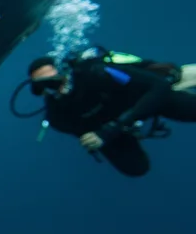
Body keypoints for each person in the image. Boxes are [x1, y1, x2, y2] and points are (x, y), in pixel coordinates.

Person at [24, 47, 196, 176]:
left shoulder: (97, 72)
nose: (54, 88)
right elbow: (88, 134)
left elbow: (159, 86)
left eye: (54, 80)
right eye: (43, 86)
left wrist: (114, 127)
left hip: (144, 98)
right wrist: (97, 138)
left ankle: (181, 78)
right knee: (136, 168)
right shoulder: (58, 118)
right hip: (117, 125)